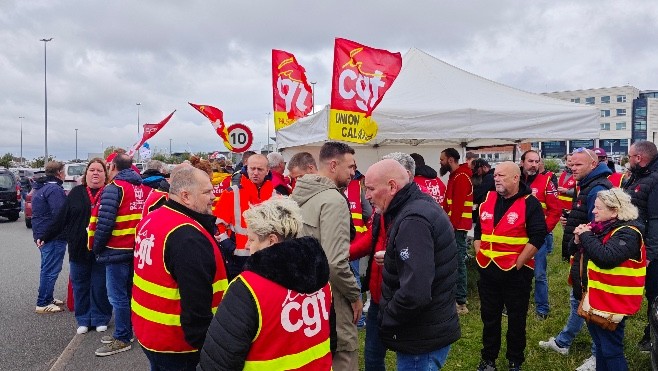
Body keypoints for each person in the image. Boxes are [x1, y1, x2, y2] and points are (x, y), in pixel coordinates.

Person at [198, 198, 332, 370]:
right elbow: (330, 339)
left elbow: (219, 363)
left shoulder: (247, 288)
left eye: (252, 239)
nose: (247, 246)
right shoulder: (321, 278)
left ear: (272, 240)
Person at [366, 159, 460, 370]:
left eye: (371, 189)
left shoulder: (413, 219)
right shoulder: (416, 206)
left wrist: (387, 316)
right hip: (426, 330)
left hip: (421, 338)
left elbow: (415, 292)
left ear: (392, 187)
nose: (367, 196)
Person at [132, 166, 228, 370]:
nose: (213, 197)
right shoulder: (187, 237)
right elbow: (196, 306)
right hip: (178, 344)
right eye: (207, 192)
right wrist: (210, 351)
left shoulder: (153, 217)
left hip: (150, 332)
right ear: (185, 196)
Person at [291, 141, 363, 371]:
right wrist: (355, 295)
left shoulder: (298, 197)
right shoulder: (333, 201)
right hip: (333, 299)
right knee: (344, 355)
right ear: (333, 165)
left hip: (305, 300)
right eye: (350, 167)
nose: (354, 172)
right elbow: (336, 262)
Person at [540, 148, 612, 371]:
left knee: (591, 304)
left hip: (590, 256)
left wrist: (581, 238)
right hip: (583, 253)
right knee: (577, 300)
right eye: (571, 164)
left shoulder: (597, 188)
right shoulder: (590, 184)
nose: (572, 168)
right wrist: (573, 220)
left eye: (578, 165)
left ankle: (596, 356)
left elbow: (600, 225)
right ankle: (564, 341)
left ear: (593, 164)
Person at [474, 162, 548, 371]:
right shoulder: (487, 199)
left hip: (516, 274)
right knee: (490, 318)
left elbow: (538, 236)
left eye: (502, 176)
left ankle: (515, 360)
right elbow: (479, 230)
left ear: (516, 178)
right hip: (488, 270)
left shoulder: (529, 203)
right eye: (496, 175)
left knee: (516, 319)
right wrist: (479, 251)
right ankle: (488, 359)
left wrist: (520, 263)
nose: (496, 179)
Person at [350, 152, 415, 371]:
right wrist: (342, 255)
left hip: (403, 300)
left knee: (408, 359)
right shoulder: (382, 211)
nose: (367, 195)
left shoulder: (415, 213)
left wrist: (391, 257)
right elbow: (369, 239)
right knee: (373, 355)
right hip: (379, 297)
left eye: (371, 188)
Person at [570, 188, 645, 370]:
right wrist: (578, 240)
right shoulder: (601, 228)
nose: (593, 211)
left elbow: (606, 257)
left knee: (611, 350)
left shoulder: (628, 233)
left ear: (614, 211)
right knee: (602, 348)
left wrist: (586, 235)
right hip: (596, 298)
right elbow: (577, 252)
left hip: (613, 302)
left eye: (598, 208)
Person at [40, 159, 112, 333]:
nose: (95, 173)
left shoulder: (111, 193)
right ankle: (83, 319)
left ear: (105, 175)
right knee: (80, 286)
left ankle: (100, 317)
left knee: (100, 286)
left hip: (102, 249)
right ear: (86, 174)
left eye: (99, 170)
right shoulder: (76, 193)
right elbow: (62, 218)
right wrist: (46, 236)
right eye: (92, 170)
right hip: (79, 248)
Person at [90, 153, 150, 357]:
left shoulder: (114, 189)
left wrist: (96, 247)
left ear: (112, 166)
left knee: (117, 297)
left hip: (116, 250)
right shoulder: (142, 189)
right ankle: (128, 331)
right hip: (136, 250)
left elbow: (104, 224)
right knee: (129, 295)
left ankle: (123, 337)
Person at [213, 154, 274, 280]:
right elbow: (218, 223)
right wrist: (228, 245)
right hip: (237, 258)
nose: (255, 173)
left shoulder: (275, 195)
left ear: (267, 171)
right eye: (252, 169)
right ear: (246, 168)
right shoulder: (232, 192)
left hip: (266, 256)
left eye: (260, 169)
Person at [624, 140, 658, 352]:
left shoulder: (654, 180)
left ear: (639, 158)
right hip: (636, 245)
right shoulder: (639, 176)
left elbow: (655, 220)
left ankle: (651, 338)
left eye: (629, 157)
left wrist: (651, 254)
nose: (628, 160)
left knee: (654, 296)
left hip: (651, 252)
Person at [519, 150, 561, 319]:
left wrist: (543, 231)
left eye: (537, 161)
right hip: (516, 237)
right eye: (530, 161)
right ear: (522, 162)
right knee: (516, 271)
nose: (534, 165)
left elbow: (555, 210)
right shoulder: (515, 180)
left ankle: (542, 309)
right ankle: (515, 303)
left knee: (539, 274)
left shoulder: (546, 182)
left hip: (537, 238)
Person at [440, 148, 473, 315]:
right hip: (455, 226)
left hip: (457, 228)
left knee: (459, 263)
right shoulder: (455, 176)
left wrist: (449, 227)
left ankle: (461, 301)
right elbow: (448, 204)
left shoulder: (460, 177)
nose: (440, 162)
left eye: (442, 159)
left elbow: (458, 207)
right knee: (456, 262)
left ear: (451, 160)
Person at [32, 161, 68, 314]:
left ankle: (48, 296)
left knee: (48, 267)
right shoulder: (54, 189)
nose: (65, 174)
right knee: (51, 269)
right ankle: (43, 302)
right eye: (64, 171)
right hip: (52, 235)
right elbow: (60, 214)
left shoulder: (41, 186)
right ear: (59, 172)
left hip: (43, 233)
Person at [472, 158, 495, 225]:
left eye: (478, 169)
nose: (477, 172)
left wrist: (468, 197)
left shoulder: (490, 177)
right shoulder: (491, 176)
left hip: (489, 209)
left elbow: (480, 191)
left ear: (484, 167)